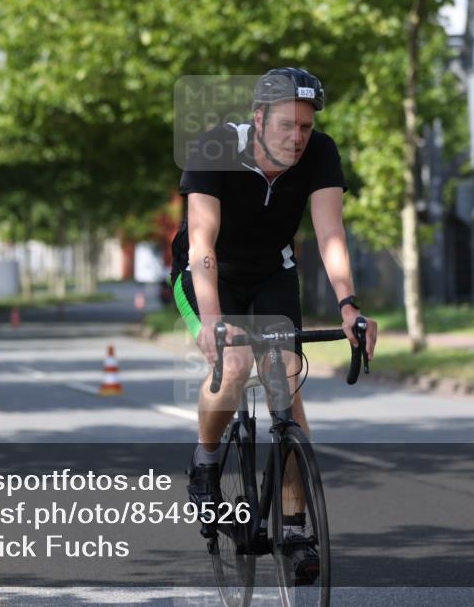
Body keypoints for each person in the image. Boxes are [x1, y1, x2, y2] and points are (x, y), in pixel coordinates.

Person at [169, 68, 378, 581]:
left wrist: (349, 306)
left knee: (286, 378)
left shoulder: (320, 152)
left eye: (306, 127)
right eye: (287, 126)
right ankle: (206, 460)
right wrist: (214, 323)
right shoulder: (215, 147)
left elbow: (330, 233)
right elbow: (202, 241)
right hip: (206, 272)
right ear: (258, 118)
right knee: (235, 364)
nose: (298, 138)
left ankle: (296, 526)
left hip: (272, 273)